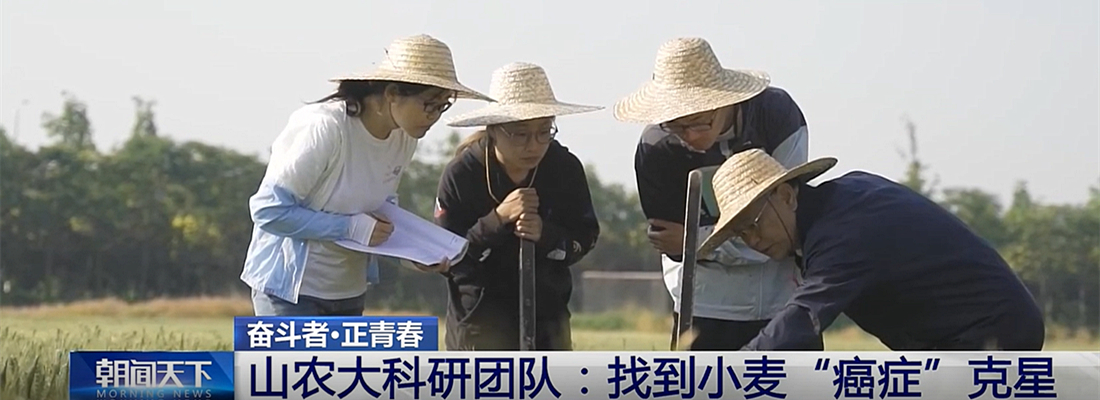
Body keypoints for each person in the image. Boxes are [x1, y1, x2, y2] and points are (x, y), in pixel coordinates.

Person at [240, 34, 492, 316]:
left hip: (349, 291)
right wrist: (348, 228)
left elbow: (380, 210)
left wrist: (414, 255)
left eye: (443, 106)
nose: (434, 116)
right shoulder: (325, 127)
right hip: (289, 294)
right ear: (392, 93)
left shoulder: (404, 136)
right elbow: (268, 210)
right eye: (429, 104)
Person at [697, 149, 1046, 350]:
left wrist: (735, 372)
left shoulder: (842, 232)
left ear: (787, 196)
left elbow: (804, 319)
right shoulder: (843, 200)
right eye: (740, 234)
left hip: (987, 334)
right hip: (955, 338)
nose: (753, 241)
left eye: (754, 223)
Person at [614, 37, 818, 350]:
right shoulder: (655, 146)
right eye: (676, 126)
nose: (690, 136)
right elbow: (673, 245)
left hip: (783, 299)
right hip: (704, 303)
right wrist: (699, 244)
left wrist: (698, 242)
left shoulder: (777, 116)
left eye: (699, 122)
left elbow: (786, 228)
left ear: (726, 100)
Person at [433, 62, 602, 350]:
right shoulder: (462, 174)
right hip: (479, 327)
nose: (534, 145)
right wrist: (496, 220)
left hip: (548, 323)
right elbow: (445, 257)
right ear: (494, 130)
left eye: (544, 132)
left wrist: (546, 235)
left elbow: (585, 236)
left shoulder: (565, 168)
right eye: (520, 134)